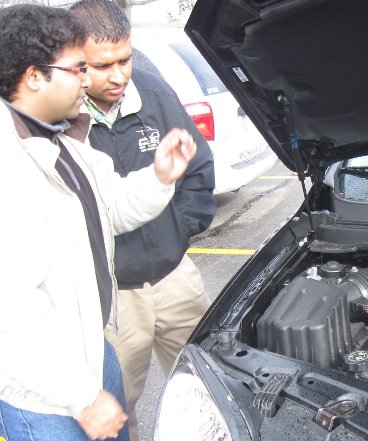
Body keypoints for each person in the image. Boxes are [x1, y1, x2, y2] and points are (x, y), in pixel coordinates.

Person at [0, 4, 198, 441]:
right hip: (49, 394)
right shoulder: (9, 170)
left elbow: (110, 207)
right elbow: (11, 313)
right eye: (77, 68)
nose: (88, 80)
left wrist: (160, 175)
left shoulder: (62, 141)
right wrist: (82, 397)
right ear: (34, 76)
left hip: (94, 352)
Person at [68, 1, 216, 439]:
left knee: (206, 388)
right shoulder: (60, 121)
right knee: (118, 408)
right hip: (112, 299)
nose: (118, 76)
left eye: (125, 59)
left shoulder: (153, 93)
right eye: (102, 65)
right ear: (75, 61)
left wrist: (181, 232)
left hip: (177, 280)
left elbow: (199, 168)